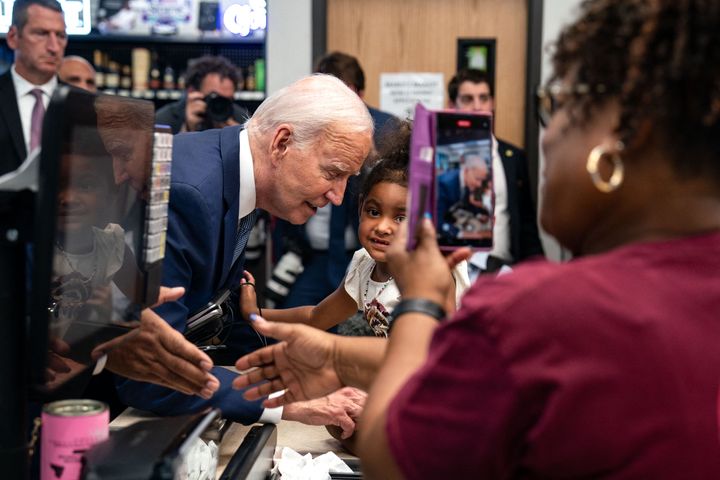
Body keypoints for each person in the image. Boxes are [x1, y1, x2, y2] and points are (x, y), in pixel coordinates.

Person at [232, 0, 720, 477]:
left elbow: (392, 455)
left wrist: (422, 301)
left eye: (557, 107)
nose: (545, 139)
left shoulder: (534, 314)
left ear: (623, 133)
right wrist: (334, 353)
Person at [115, 74, 374, 434]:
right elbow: (153, 372)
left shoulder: (234, 175)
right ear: (281, 143)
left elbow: (220, 316)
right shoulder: (189, 194)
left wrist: (315, 376)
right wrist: (290, 401)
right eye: (333, 173)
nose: (338, 196)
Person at [241, 122, 469, 337]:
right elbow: (316, 317)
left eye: (401, 218)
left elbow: (426, 357)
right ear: (360, 207)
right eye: (374, 212)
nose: (382, 227)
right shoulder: (364, 266)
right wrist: (255, 314)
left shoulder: (430, 273)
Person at [270, 51, 397, 311]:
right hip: (310, 257)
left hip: (363, 256)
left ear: (359, 94)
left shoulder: (384, 129)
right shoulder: (306, 125)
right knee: (289, 330)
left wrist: (369, 161)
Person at [448, 68, 544, 274]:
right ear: (452, 105)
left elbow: (526, 222)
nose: (477, 106)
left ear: (492, 103)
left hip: (505, 270)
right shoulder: (442, 157)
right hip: (456, 269)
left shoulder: (513, 157)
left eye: (483, 98)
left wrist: (538, 269)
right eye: (467, 99)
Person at [0, 0, 66, 176]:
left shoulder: (81, 104)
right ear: (13, 37)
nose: (54, 47)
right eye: (41, 33)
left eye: (60, 36)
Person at [155, 55, 247, 134]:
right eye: (215, 98)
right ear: (192, 92)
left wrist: (239, 139)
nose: (220, 105)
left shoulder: (241, 120)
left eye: (227, 100)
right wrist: (188, 129)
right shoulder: (165, 121)